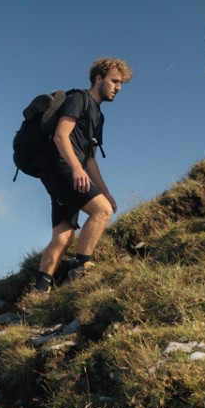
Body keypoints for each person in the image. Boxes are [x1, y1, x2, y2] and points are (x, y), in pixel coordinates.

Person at [33, 58, 132, 293]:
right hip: (63, 167)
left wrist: (105, 191)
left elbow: (90, 160)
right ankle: (81, 266)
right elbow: (60, 136)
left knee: (63, 236)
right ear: (99, 79)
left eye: (121, 84)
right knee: (102, 211)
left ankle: (39, 294)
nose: (118, 88)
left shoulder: (99, 116)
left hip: (67, 172)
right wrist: (76, 169)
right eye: (114, 81)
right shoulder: (79, 99)